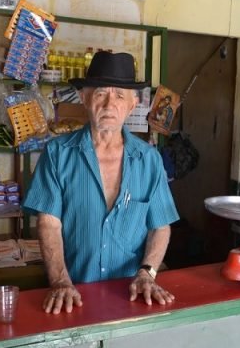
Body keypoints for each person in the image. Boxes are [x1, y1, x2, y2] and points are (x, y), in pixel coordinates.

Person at [23, 51, 179, 313]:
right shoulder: (58, 153)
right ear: (84, 98)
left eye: (119, 96)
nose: (109, 104)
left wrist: (147, 274)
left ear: (133, 104)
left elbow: (160, 227)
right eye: (100, 94)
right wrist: (60, 281)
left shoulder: (149, 160)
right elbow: (48, 223)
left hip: (131, 295)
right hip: (72, 296)